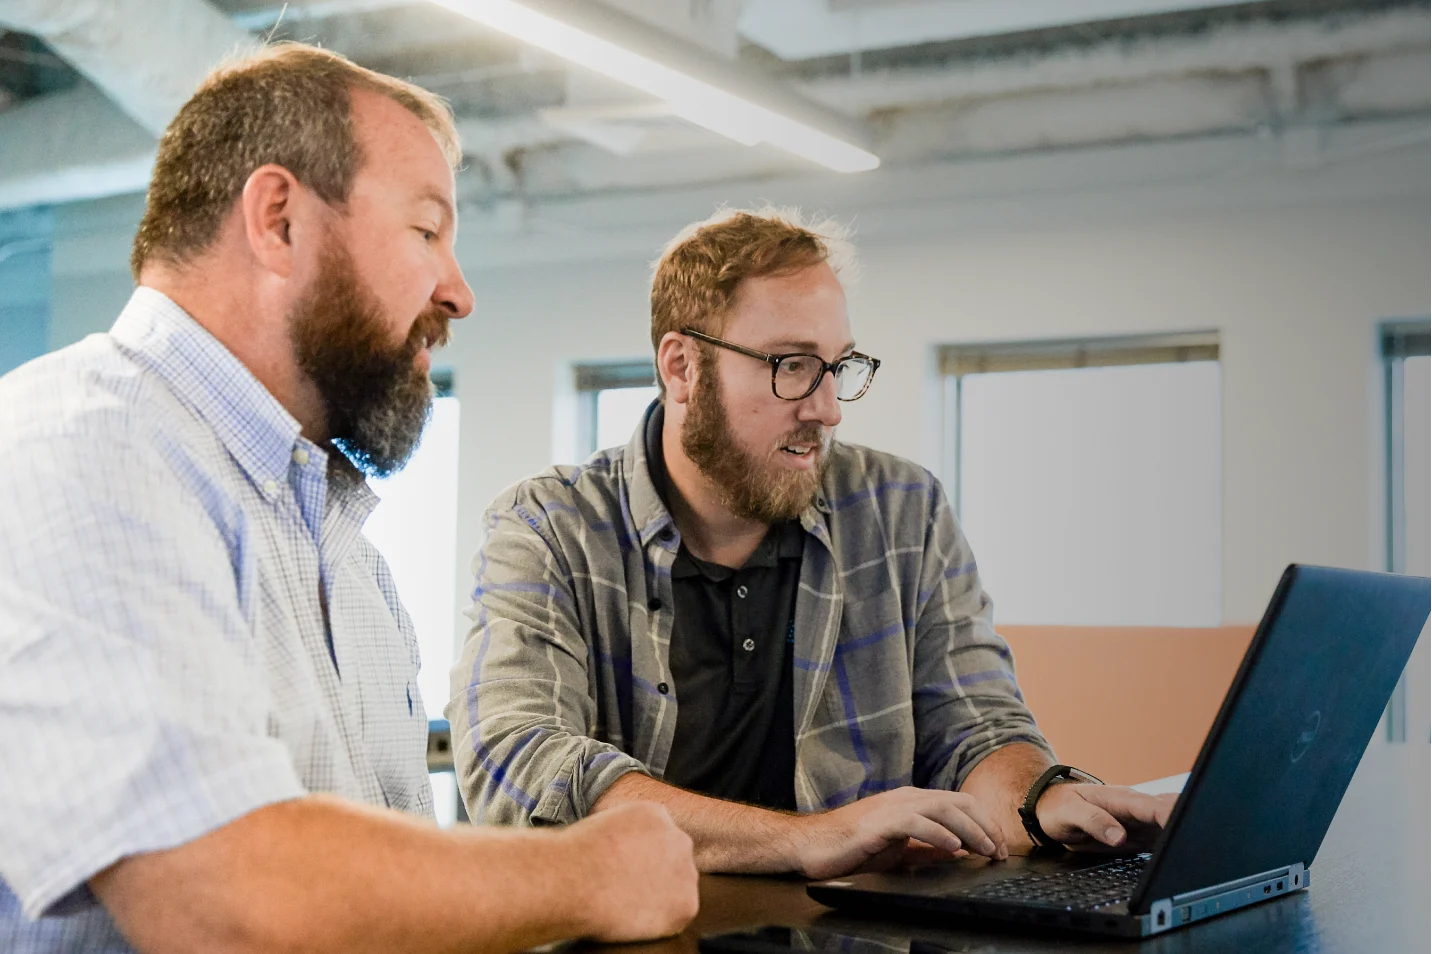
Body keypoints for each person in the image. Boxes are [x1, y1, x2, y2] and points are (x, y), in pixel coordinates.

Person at [0, 44, 697, 954]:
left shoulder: (338, 538)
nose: (459, 290)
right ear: (279, 219)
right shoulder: (79, 447)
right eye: (425, 231)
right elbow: (220, 899)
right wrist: (595, 873)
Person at [449, 208, 1176, 878]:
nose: (826, 408)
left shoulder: (901, 511)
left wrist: (1040, 800)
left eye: (839, 366)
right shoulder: (548, 526)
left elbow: (975, 723)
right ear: (681, 367)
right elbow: (517, 761)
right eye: (791, 365)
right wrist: (807, 839)